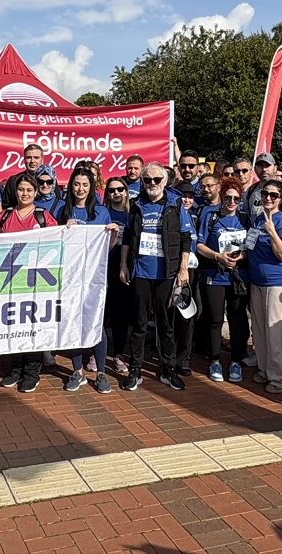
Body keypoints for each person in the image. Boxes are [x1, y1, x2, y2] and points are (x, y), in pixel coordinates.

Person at [119, 162, 192, 391]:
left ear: (165, 181)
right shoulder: (136, 204)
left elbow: (186, 237)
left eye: (157, 179)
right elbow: (128, 236)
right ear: (142, 181)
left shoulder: (175, 203)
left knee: (166, 325)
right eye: (148, 180)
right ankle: (135, 370)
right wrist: (123, 264)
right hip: (141, 271)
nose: (152, 183)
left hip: (166, 273)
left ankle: (168, 369)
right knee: (139, 324)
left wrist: (183, 269)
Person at [57, 166, 117, 394]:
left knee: (95, 322)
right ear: (70, 185)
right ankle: (77, 371)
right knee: (73, 323)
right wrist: (64, 231)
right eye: (76, 184)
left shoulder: (101, 212)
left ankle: (101, 373)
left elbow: (107, 248)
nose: (80, 189)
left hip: (94, 278)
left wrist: (113, 234)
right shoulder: (63, 209)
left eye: (85, 184)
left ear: (91, 187)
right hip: (70, 278)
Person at [0, 173, 58, 392]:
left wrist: (69, 229)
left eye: (29, 190)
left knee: (33, 326)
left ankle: (32, 373)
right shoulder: (4, 216)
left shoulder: (43, 216)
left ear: (35, 192)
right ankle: (15, 370)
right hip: (11, 282)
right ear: (15, 192)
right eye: (21, 189)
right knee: (13, 326)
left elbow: (57, 241)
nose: (25, 194)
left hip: (36, 282)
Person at [246, 180, 282, 393]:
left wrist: (273, 232)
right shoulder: (258, 219)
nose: (268, 198)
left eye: (274, 195)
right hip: (257, 281)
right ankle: (266, 370)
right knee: (260, 331)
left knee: (276, 333)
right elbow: (249, 246)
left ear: (281, 199)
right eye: (265, 193)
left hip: (279, 283)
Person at [197, 178, 250, 382]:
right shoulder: (211, 216)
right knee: (215, 319)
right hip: (214, 275)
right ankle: (215, 360)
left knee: (238, 319)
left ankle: (236, 361)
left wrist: (241, 256)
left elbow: (251, 246)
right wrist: (218, 256)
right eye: (228, 198)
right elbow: (199, 245)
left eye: (236, 199)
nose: (231, 202)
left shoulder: (244, 219)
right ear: (222, 196)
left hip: (237, 277)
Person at [104, 177, 132, 374]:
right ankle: (97, 352)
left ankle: (119, 354)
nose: (116, 193)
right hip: (104, 266)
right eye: (112, 190)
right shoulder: (102, 212)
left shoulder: (132, 213)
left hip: (125, 267)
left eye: (120, 189)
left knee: (121, 313)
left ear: (126, 191)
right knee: (103, 311)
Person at [172, 181, 200, 376]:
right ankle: (170, 357)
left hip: (192, 272)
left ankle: (183, 359)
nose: (187, 200)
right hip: (175, 270)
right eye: (183, 196)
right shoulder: (172, 215)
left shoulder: (195, 216)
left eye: (190, 196)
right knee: (173, 316)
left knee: (189, 315)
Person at [2, 144, 45, 209]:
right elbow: (6, 206)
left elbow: (57, 202)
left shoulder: (49, 181)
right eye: (29, 157)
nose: (32, 161)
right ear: (24, 159)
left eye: (36, 157)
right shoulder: (13, 181)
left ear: (42, 159)